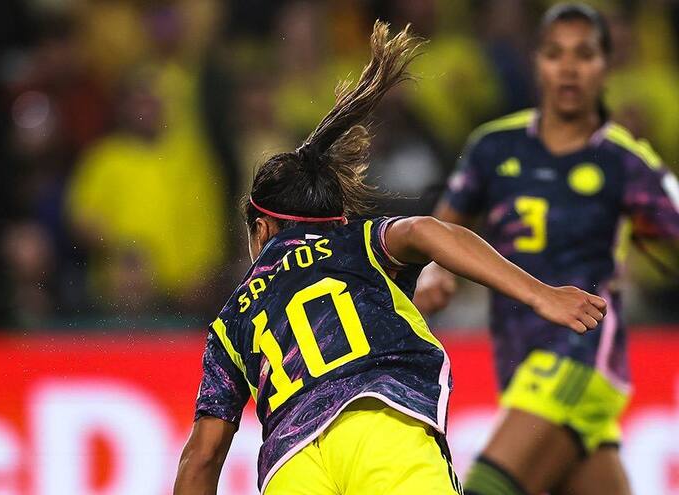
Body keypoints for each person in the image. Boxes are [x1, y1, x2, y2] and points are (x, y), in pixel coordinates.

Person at [174, 21, 607, 495]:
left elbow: (203, 456)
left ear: (261, 228)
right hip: (379, 422)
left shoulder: (231, 318)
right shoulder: (353, 241)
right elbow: (422, 231)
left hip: (290, 466)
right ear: (333, 216)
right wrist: (540, 294)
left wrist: (409, 304)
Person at [413, 4, 679, 495]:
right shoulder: (493, 147)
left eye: (584, 54)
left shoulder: (625, 162)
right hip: (519, 361)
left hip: (581, 352)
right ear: (537, 62)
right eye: (556, 53)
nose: (569, 67)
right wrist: (436, 271)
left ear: (606, 65)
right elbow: (442, 230)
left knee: (487, 487)